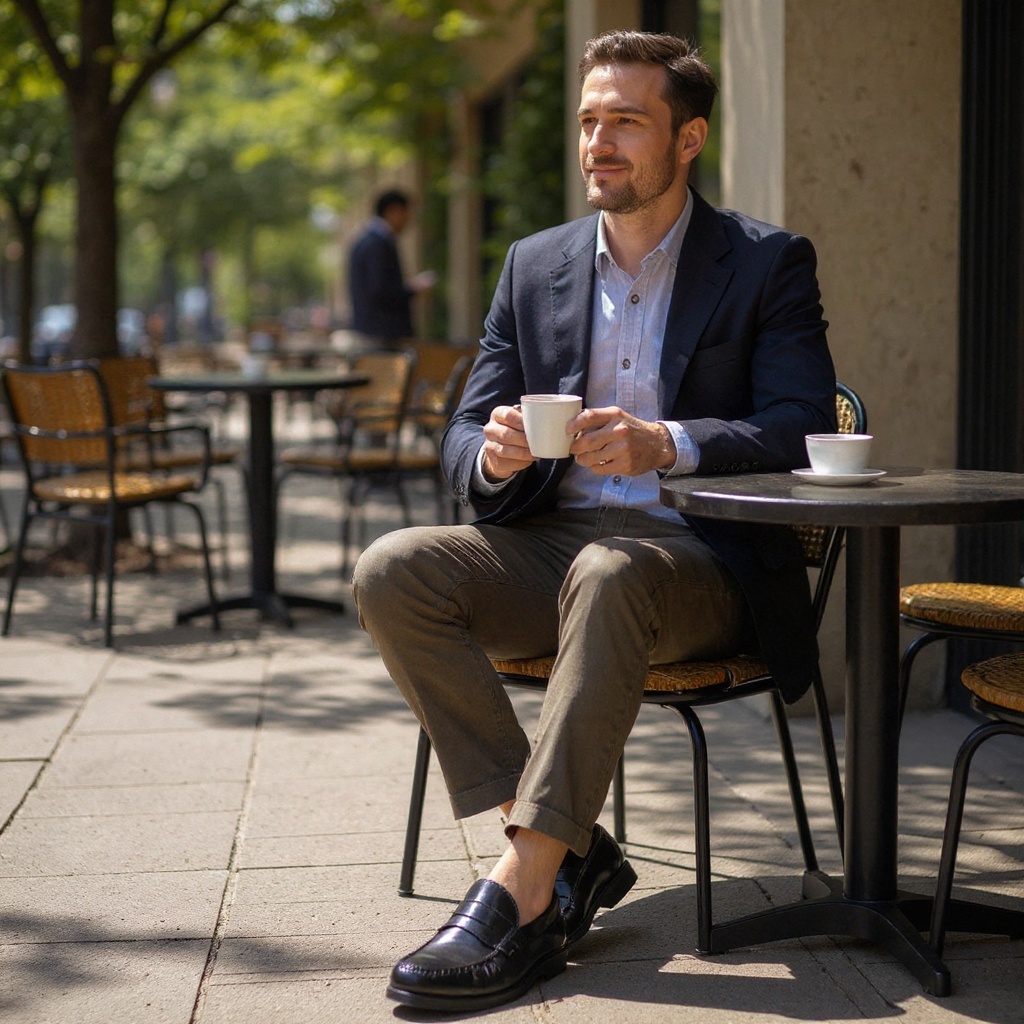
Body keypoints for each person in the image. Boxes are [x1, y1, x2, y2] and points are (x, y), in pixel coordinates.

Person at [353, 30, 836, 1013]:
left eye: (625, 120)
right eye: (587, 120)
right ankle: (569, 844)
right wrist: (490, 455)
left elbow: (800, 422)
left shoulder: (765, 262)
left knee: (612, 570)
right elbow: (459, 434)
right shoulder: (534, 264)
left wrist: (669, 442)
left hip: (699, 560)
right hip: (552, 549)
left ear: (688, 138)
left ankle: (524, 891)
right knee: (393, 567)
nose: (597, 142)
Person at [346, 189, 435, 349]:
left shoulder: (368, 240)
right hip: (382, 335)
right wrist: (414, 289)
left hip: (373, 331)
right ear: (394, 210)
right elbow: (380, 290)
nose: (409, 219)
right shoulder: (377, 244)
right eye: (407, 213)